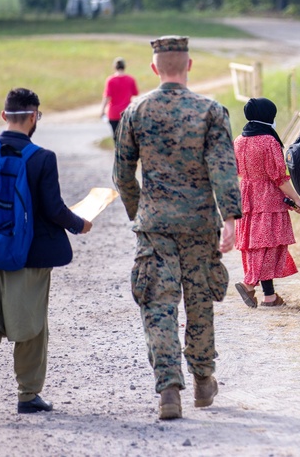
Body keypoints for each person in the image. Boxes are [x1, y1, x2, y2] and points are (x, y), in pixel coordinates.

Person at [112, 36, 241, 421]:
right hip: (201, 225)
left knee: (158, 304)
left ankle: (169, 389)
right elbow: (224, 169)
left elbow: (122, 175)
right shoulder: (211, 111)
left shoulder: (136, 111)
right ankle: (203, 380)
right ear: (189, 65)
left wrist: (142, 212)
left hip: (155, 226)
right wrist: (231, 220)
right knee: (199, 303)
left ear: (154, 69)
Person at [0, 88, 93, 421]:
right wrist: (80, 224)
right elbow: (53, 209)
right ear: (34, 118)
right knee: (31, 327)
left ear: (4, 116)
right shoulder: (43, 158)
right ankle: (28, 395)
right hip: (28, 260)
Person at [225, 97, 300, 308]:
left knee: (257, 245)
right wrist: (297, 200)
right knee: (269, 245)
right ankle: (249, 283)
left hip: (247, 196)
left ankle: (269, 296)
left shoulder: (238, 140)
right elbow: (279, 177)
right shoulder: (269, 141)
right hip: (268, 197)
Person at [101, 57, 139, 139]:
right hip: (126, 112)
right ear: (124, 66)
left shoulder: (110, 80)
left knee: (116, 137)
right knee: (127, 139)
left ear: (114, 67)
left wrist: (102, 110)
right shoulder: (130, 79)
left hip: (113, 113)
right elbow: (135, 93)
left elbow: (107, 97)